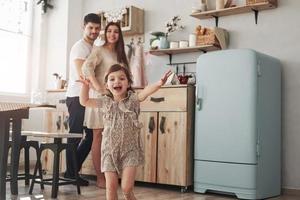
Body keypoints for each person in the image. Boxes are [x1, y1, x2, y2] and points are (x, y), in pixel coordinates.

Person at [79, 64, 172, 200]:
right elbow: (84, 101)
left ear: (128, 83)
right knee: (110, 188)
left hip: (130, 150)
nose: (117, 81)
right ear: (106, 85)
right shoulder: (105, 102)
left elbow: (145, 92)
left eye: (122, 78)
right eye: (112, 79)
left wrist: (159, 83)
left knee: (126, 188)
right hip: (109, 151)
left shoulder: (133, 99)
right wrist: (85, 86)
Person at [82, 21, 129, 188]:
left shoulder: (122, 54)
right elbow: (86, 68)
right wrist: (97, 86)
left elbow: (125, 77)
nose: (112, 34)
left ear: (119, 35)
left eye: (116, 31)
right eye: (109, 31)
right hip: (101, 99)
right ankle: (101, 178)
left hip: (116, 102)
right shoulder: (99, 50)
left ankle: (111, 176)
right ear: (105, 33)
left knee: (113, 138)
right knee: (99, 137)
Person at [64, 13, 101, 186]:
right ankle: (71, 173)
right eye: (90, 28)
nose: (94, 31)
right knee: (75, 135)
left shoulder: (93, 48)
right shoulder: (80, 47)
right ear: (83, 27)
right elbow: (83, 74)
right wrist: (101, 88)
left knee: (91, 136)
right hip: (76, 96)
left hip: (87, 97)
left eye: (97, 28)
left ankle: (71, 171)